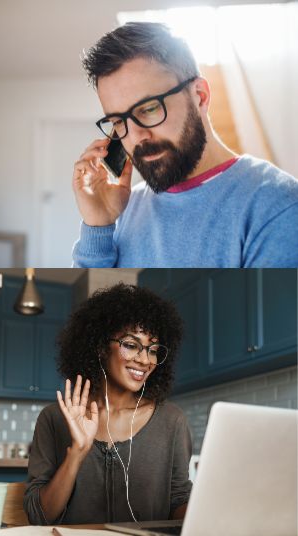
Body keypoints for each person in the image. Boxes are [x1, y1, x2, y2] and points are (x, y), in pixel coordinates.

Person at [71, 22, 298, 268]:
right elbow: (90, 306)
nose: (136, 136)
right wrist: (98, 228)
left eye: (148, 109)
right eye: (118, 121)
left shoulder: (277, 205)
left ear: (200, 95)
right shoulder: (122, 209)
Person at [24, 283, 192, 525]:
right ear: (101, 346)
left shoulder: (171, 421)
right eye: (131, 345)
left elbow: (179, 500)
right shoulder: (54, 418)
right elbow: (39, 517)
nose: (145, 360)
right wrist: (76, 454)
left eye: (153, 350)